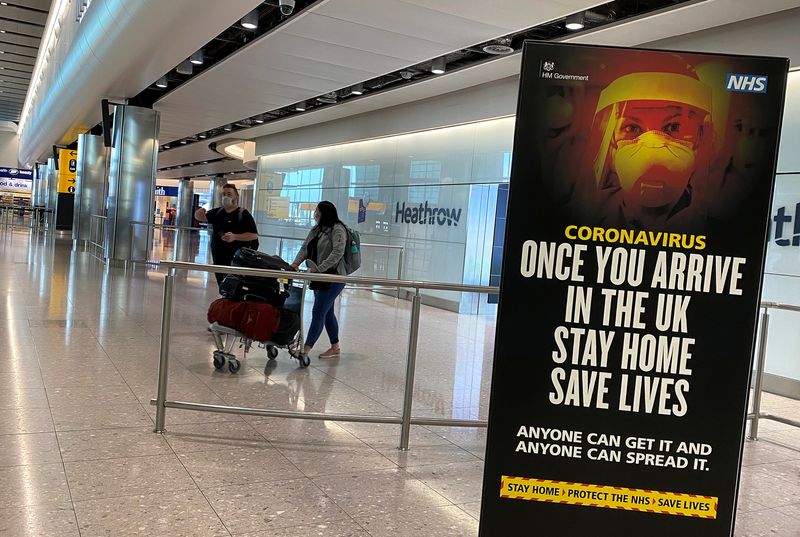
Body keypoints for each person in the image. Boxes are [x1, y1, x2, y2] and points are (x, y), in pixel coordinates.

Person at [291, 201, 347, 359]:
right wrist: (295, 263)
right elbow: (304, 248)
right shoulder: (317, 229)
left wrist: (319, 268)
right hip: (318, 276)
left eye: (317, 210)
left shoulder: (338, 229)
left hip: (333, 277)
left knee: (318, 311)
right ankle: (335, 347)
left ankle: (305, 350)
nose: (315, 213)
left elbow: (338, 253)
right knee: (327, 311)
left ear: (324, 212)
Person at [194, 184, 259, 287]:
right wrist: (200, 211)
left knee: (235, 286)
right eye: (224, 194)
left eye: (229, 194)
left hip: (237, 259)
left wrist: (235, 237)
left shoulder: (243, 214)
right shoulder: (217, 212)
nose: (226, 197)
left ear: (236, 196)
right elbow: (200, 217)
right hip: (219, 257)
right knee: (222, 284)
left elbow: (254, 235)